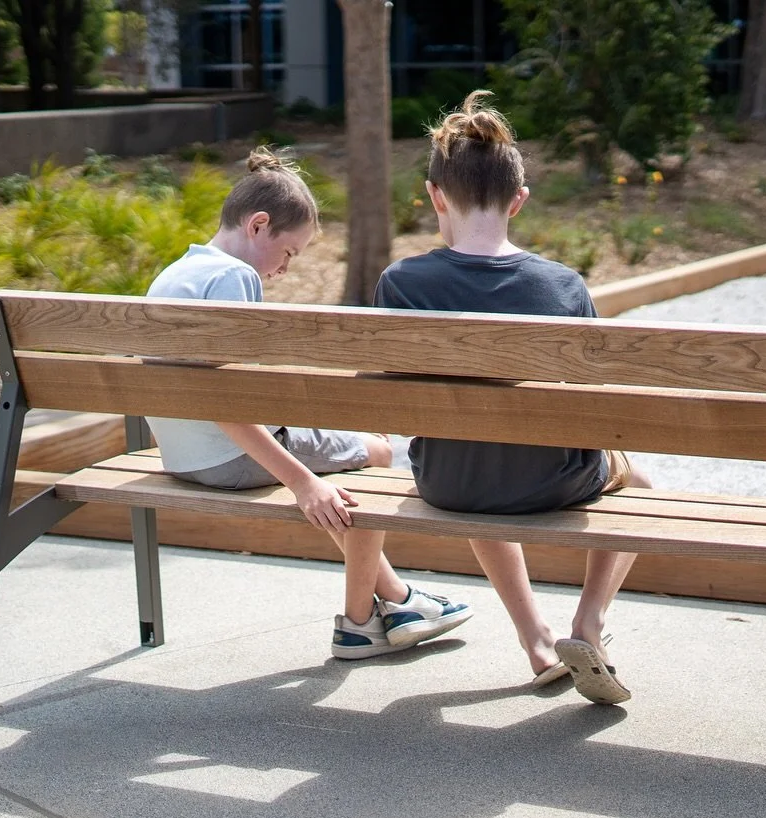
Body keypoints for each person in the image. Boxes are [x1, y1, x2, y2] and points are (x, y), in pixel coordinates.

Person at [374, 92, 651, 705]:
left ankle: (536, 642)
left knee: (472, 443)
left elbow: (392, 391)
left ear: (435, 195)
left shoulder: (401, 282)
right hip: (552, 483)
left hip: (448, 483)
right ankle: (589, 626)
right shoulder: (562, 285)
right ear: (518, 201)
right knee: (642, 484)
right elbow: (596, 401)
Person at [144, 148, 472, 660]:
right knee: (379, 453)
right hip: (228, 459)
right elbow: (224, 402)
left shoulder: (176, 273)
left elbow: (209, 393)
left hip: (182, 457)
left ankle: (403, 601)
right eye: (290, 253)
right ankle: (361, 623)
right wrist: (302, 482)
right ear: (258, 226)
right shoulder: (235, 278)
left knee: (343, 447)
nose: (284, 269)